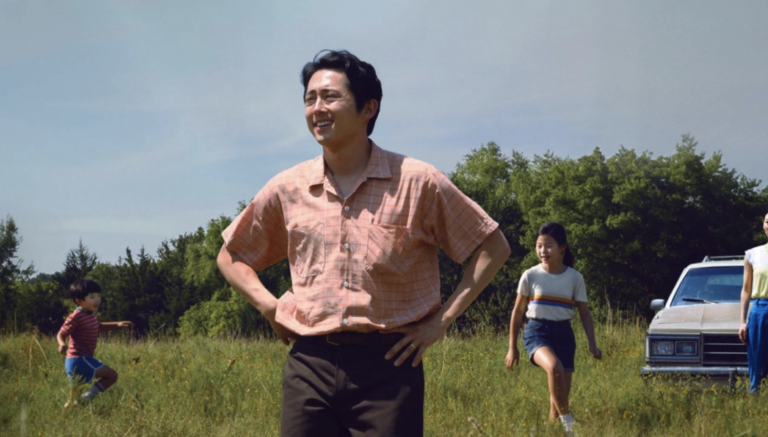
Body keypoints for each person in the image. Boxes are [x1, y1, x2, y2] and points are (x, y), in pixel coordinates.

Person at [217, 49, 510, 436]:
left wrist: (441, 322)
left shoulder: (417, 181)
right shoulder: (288, 187)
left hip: (389, 367)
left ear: (368, 108)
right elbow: (231, 255)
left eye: (330, 97)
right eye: (310, 99)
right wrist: (269, 307)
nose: (317, 108)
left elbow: (493, 246)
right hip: (309, 363)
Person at [504, 222, 601, 435]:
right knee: (554, 367)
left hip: (565, 335)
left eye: (548, 246)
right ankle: (570, 424)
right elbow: (517, 312)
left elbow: (585, 313)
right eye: (539, 246)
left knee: (557, 398)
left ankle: (552, 429)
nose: (543, 251)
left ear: (562, 247)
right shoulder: (530, 275)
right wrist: (512, 347)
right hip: (537, 332)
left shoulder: (575, 278)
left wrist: (592, 344)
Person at [57, 279, 134, 408]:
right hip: (79, 359)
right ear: (79, 301)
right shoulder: (76, 316)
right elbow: (61, 333)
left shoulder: (90, 314)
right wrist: (62, 344)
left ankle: (73, 408)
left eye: (98, 296)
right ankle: (83, 401)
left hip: (80, 360)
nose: (97, 300)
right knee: (112, 376)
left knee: (71, 402)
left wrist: (118, 324)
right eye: (92, 297)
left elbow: (98, 326)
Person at [738, 210, 768, 392]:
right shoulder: (752, 254)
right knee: (757, 360)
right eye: (767, 222)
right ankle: (756, 398)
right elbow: (746, 289)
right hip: (760, 311)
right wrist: (742, 321)